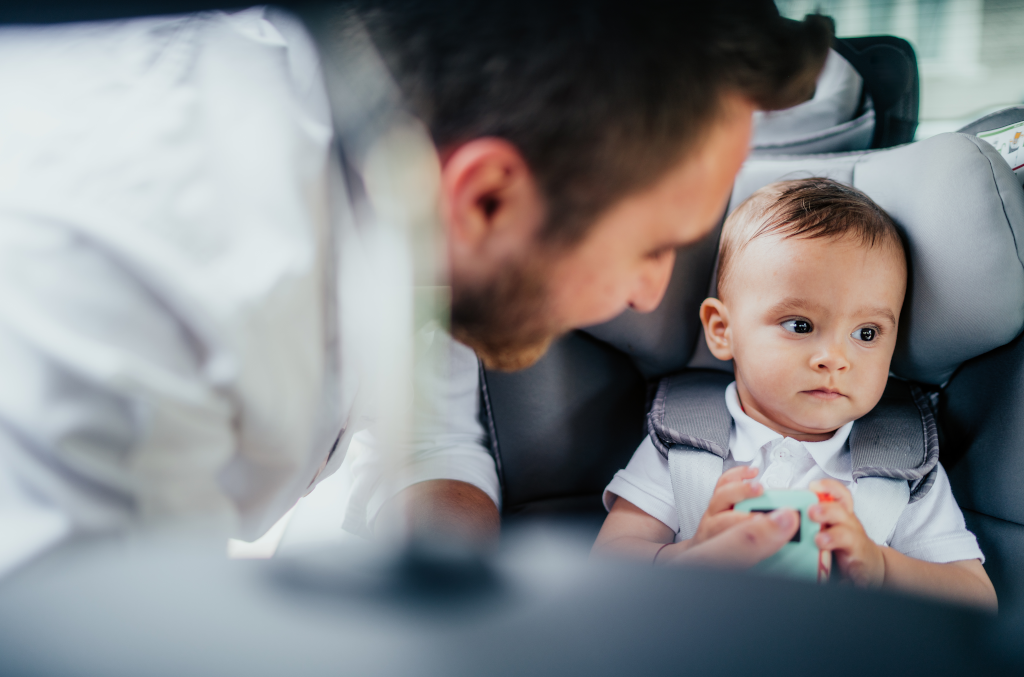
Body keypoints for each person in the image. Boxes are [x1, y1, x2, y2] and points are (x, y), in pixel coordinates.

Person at [0, 1, 830, 575]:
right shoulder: (129, 281)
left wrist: (456, 604)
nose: (652, 295)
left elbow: (429, 438)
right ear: (487, 198)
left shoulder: (409, 185)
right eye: (654, 247)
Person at [591, 178, 997, 610]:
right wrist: (692, 556)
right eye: (800, 325)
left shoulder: (903, 468)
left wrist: (880, 567)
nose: (835, 358)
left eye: (867, 333)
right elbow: (608, 569)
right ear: (722, 330)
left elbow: (976, 600)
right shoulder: (681, 444)